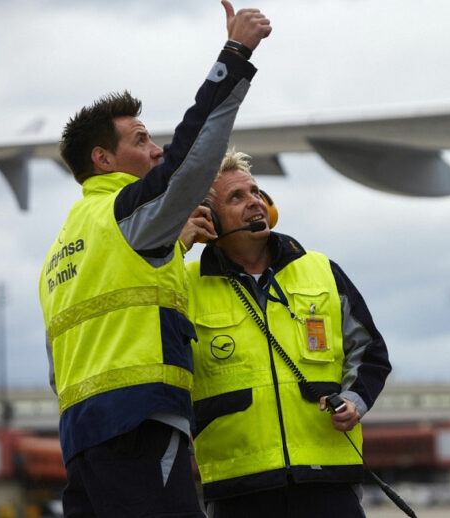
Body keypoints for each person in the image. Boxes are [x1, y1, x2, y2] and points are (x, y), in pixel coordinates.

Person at [37, 3, 271, 516]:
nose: (157, 150)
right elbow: (192, 157)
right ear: (102, 159)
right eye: (141, 140)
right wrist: (235, 55)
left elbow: (90, 337)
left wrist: (174, 244)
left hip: (82, 441)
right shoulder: (126, 213)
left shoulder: (64, 247)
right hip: (139, 425)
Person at [179, 150, 392, 517]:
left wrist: (355, 401)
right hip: (239, 486)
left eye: (256, 192)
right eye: (237, 197)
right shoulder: (183, 286)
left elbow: (369, 351)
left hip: (328, 479)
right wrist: (175, 249)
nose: (254, 203)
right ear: (208, 219)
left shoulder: (321, 270)